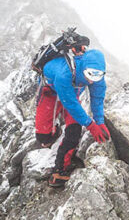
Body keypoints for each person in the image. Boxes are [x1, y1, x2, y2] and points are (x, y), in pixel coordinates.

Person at [34, 46, 110, 187]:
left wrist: (99, 121)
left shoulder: (96, 75)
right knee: (44, 138)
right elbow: (70, 103)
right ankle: (55, 131)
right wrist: (91, 125)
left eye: (97, 75)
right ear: (83, 68)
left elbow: (97, 97)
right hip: (49, 92)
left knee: (74, 132)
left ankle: (60, 170)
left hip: (71, 94)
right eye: (90, 74)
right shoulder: (65, 73)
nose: (92, 80)